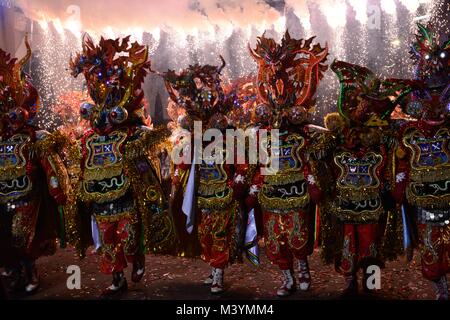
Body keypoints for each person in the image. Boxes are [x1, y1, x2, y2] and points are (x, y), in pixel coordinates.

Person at [67, 35, 176, 298]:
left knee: (127, 238)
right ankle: (117, 278)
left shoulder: (130, 133)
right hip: (100, 199)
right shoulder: (88, 140)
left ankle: (137, 258)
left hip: (126, 197)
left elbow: (152, 141)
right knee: (107, 242)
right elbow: (79, 162)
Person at [246, 31, 332, 297]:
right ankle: (287, 277)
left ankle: (303, 269)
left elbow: (308, 164)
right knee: (274, 241)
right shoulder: (262, 136)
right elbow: (260, 165)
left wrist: (313, 184)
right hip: (271, 196)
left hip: (296, 193)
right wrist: (252, 188)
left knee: (298, 237)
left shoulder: (301, 134)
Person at [324, 60, 417, 296]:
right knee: (348, 244)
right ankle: (350, 282)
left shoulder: (382, 141)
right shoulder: (337, 140)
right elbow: (325, 163)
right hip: (345, 203)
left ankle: (372, 285)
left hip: (373, 203)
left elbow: (395, 163)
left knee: (371, 245)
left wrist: (393, 187)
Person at [163, 57, 251, 294]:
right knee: (205, 235)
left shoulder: (229, 142)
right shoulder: (196, 142)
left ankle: (219, 274)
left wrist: (240, 181)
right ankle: (213, 268)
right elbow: (184, 163)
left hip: (223, 196)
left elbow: (242, 164)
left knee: (220, 234)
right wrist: (178, 177)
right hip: (203, 196)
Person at [0, 36, 71, 294]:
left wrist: (56, 189)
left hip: (26, 198)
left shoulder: (35, 137)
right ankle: (14, 273)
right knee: (4, 242)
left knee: (22, 238)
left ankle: (30, 271)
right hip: (2, 199)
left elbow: (51, 167)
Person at [393, 24, 450, 300]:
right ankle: (441, 287)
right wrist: (401, 181)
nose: (436, 106)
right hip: (425, 198)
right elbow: (403, 163)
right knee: (431, 245)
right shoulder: (409, 133)